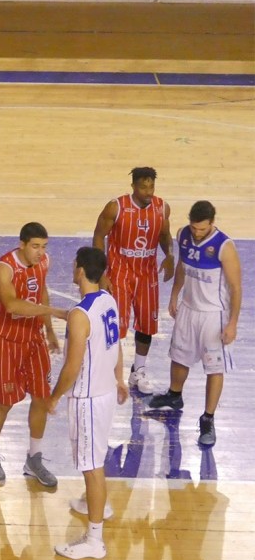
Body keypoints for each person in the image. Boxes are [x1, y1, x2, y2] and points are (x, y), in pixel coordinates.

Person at [45, 247, 129, 560]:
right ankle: (92, 502)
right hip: (105, 394)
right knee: (94, 459)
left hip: (88, 400)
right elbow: (116, 343)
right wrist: (120, 378)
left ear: (80, 270)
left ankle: (94, 539)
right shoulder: (108, 299)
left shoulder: (80, 315)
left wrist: (54, 396)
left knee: (92, 467)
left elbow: (72, 366)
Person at [148, 201, 241, 446]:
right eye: (194, 228)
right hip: (189, 309)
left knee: (214, 368)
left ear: (212, 223)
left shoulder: (224, 246)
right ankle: (174, 395)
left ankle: (208, 418)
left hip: (213, 314)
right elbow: (182, 266)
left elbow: (236, 287)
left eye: (202, 229)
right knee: (179, 356)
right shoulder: (183, 235)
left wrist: (232, 323)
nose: (197, 233)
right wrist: (174, 295)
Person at [0, 222, 68, 486]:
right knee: (4, 401)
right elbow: (11, 305)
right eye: (35, 246)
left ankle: (34, 458)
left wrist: (49, 330)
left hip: (34, 339)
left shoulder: (43, 262)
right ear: (22, 244)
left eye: (44, 246)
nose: (40, 252)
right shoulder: (4, 267)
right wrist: (53, 312)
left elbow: (42, 291)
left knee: (41, 398)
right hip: (8, 341)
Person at [92, 167, 174, 394]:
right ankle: (109, 370)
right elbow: (99, 235)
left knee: (147, 324)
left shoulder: (162, 207)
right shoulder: (116, 207)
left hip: (147, 274)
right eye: (143, 187)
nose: (148, 192)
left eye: (151, 187)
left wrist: (169, 255)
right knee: (115, 326)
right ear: (133, 187)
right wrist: (101, 273)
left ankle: (139, 370)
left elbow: (165, 235)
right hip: (119, 273)